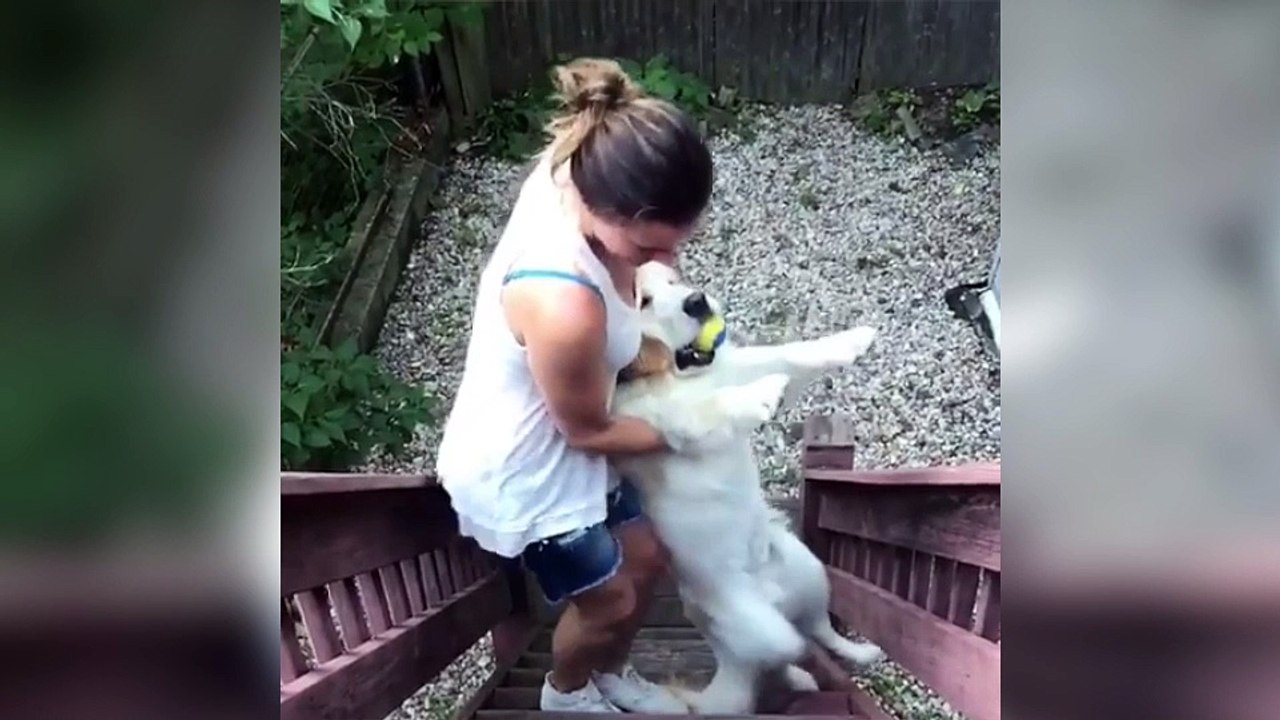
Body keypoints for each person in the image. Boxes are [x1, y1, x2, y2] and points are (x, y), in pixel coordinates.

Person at [435, 57, 714, 713]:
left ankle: (605, 670)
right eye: (648, 249)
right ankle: (564, 694)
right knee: (611, 596)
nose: (667, 265)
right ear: (601, 208)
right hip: (527, 469)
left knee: (647, 558)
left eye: (678, 242)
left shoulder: (584, 159)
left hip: (572, 432)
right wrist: (694, 430)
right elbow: (588, 430)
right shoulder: (563, 301)